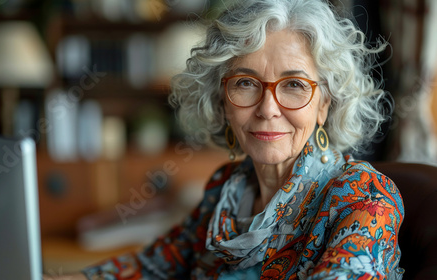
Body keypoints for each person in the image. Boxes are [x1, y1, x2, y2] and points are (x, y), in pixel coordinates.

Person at [50, 0, 404, 279]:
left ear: (324, 104)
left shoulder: (364, 196)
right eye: (245, 83)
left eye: (294, 85)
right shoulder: (226, 189)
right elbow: (153, 267)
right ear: (221, 100)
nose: (268, 109)